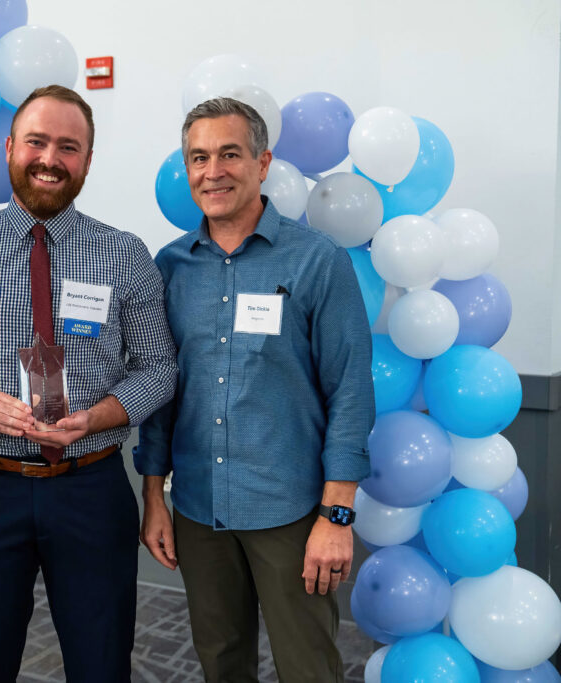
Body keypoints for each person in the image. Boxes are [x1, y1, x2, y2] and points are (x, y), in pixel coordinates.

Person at [0, 85, 177, 683]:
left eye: (68, 146)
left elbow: (159, 368)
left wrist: (103, 415)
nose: (50, 158)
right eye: (36, 141)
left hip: (91, 486)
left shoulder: (124, 254)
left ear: (86, 160)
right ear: (9, 148)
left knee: (102, 660)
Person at [136, 97, 375, 683]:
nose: (212, 171)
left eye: (229, 154)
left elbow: (349, 388)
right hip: (197, 508)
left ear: (263, 162)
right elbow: (160, 390)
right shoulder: (169, 268)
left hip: (291, 511)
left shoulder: (316, 262)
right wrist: (153, 498)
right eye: (198, 157)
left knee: (308, 667)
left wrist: (336, 515)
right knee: (220, 662)